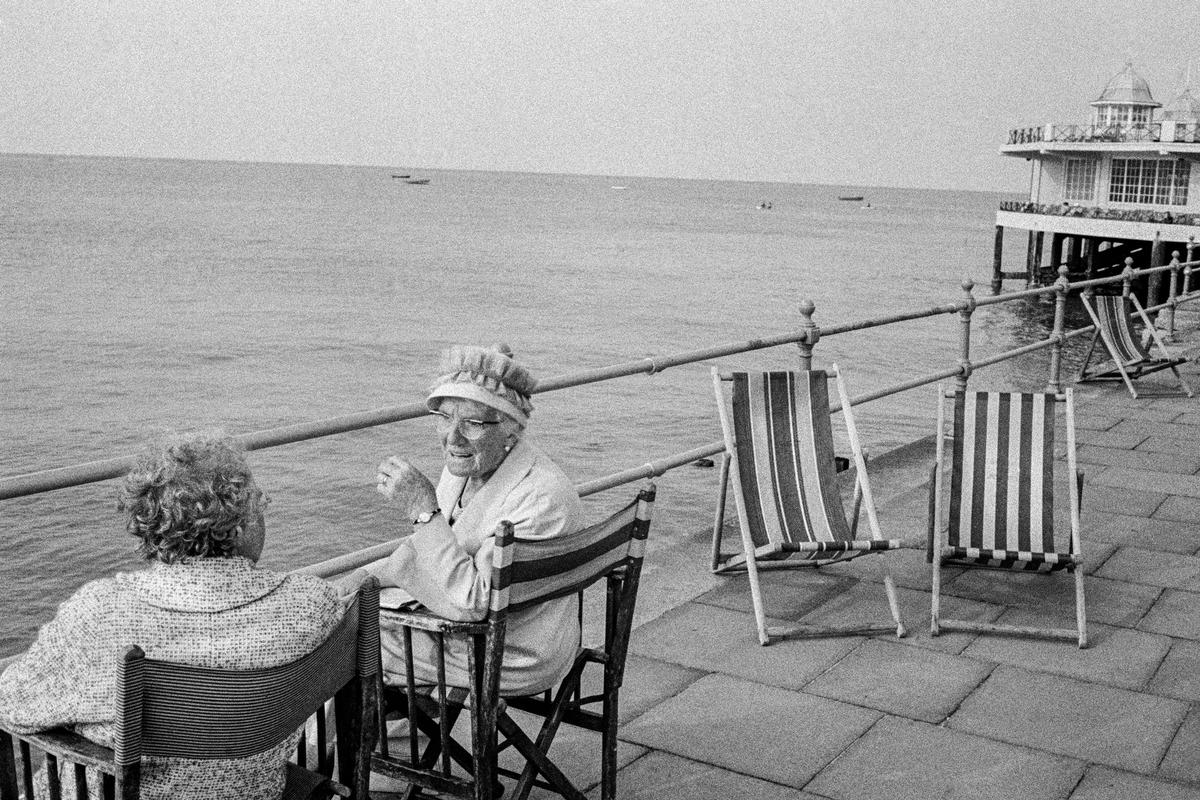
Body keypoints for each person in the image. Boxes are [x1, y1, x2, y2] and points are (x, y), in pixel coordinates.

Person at [0, 433, 344, 800]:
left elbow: (12, 704)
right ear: (240, 525)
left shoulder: (100, 613)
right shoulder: (310, 603)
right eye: (263, 504)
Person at [363, 344, 584, 695]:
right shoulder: (469, 465)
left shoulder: (542, 498)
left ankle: (322, 747)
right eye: (445, 417)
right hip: (491, 631)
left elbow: (473, 604)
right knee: (349, 613)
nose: (453, 437)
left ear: (512, 431)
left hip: (513, 655)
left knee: (354, 639)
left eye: (473, 423)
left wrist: (424, 511)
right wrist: (353, 583)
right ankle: (401, 742)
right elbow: (428, 555)